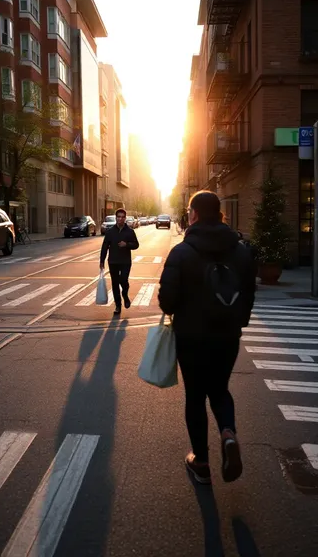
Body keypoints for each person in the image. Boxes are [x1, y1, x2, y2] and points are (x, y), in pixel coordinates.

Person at [158, 191, 256, 485]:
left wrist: (177, 309)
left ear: (196, 215)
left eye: (189, 211)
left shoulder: (182, 252)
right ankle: (228, 433)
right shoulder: (240, 251)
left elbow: (167, 299)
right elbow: (249, 294)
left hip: (191, 337)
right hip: (227, 336)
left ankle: (201, 463)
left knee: (196, 396)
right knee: (220, 390)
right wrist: (239, 321)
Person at [100, 208, 139, 316]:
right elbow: (104, 247)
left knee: (123, 280)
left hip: (125, 261)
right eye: (118, 217)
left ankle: (125, 295)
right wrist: (102, 260)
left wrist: (126, 244)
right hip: (113, 261)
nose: (120, 219)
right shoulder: (110, 232)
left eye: (122, 217)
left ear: (125, 218)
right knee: (115, 284)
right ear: (116, 218)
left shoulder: (130, 232)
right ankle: (118, 305)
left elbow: (136, 245)